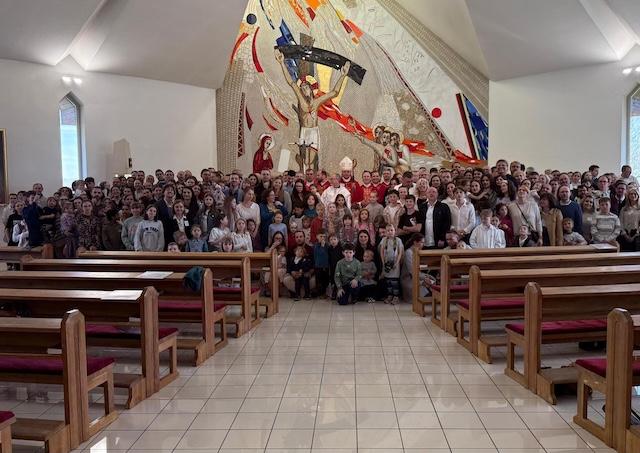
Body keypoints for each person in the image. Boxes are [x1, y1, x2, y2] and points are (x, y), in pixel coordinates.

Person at [379, 224, 404, 305]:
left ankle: (396, 297)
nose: (390, 232)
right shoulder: (384, 240)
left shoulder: (398, 240)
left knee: (394, 281)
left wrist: (397, 262)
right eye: (388, 230)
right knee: (388, 281)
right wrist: (383, 262)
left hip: (395, 264)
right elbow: (382, 251)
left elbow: (400, 252)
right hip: (387, 264)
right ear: (385, 232)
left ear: (395, 231)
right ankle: (390, 295)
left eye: (391, 230)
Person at [313, 230, 330, 298]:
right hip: (318, 266)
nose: (323, 238)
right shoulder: (316, 245)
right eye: (321, 236)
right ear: (317, 237)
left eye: (324, 237)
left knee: (325, 280)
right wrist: (322, 246)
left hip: (325, 266)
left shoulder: (327, 245)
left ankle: (324, 293)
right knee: (319, 280)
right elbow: (319, 254)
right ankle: (319, 293)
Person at [328, 233, 343, 300]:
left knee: (338, 278)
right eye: (331, 240)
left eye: (334, 239)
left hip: (339, 267)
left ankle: (339, 290)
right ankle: (333, 292)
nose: (333, 241)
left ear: (338, 240)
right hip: (332, 267)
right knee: (332, 279)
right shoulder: (329, 248)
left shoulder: (341, 248)